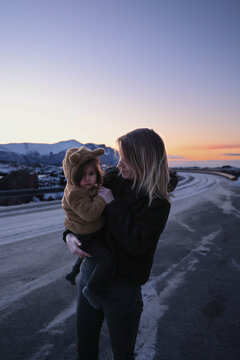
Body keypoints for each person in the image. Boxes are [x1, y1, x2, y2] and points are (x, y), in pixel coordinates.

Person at [64, 128, 178, 360]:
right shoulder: (114, 179)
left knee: (122, 353)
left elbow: (136, 243)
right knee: (85, 346)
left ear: (144, 161)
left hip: (122, 288)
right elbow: (81, 210)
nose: (119, 165)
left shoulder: (157, 202)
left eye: (126, 160)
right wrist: (68, 235)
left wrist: (112, 205)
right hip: (90, 273)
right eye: (120, 158)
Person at [62, 146, 114, 309]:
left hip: (89, 231)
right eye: (82, 175)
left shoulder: (87, 187)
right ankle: (92, 289)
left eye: (91, 173)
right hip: (85, 234)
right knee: (106, 259)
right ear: (72, 175)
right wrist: (103, 199)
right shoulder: (75, 193)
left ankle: (72, 273)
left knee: (85, 254)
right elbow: (89, 214)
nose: (87, 179)